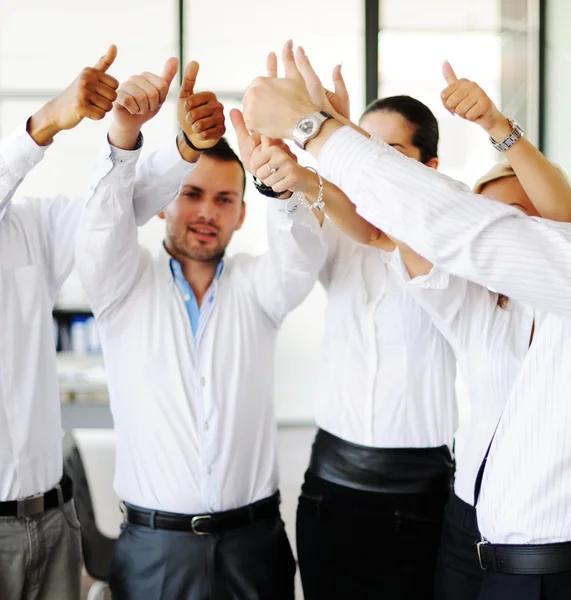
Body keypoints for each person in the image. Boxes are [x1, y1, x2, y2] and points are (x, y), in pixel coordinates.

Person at [243, 43, 571, 600]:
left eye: (389, 153)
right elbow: (350, 231)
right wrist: (300, 169)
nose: (377, 164)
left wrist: (322, 130)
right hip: (416, 514)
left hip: (458, 509)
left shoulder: (513, 282)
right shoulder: (469, 309)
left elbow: (415, 224)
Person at [74, 57, 326, 600]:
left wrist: (280, 188)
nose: (207, 212)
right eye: (192, 194)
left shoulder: (259, 287)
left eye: (224, 199)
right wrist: (123, 136)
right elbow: (99, 226)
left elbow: (303, 256)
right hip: (153, 550)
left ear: (240, 213)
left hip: (254, 546)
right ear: (166, 201)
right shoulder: (123, 284)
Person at [233, 43, 457, 600]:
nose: (374, 167)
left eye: (390, 154)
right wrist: (281, 178)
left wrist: (320, 152)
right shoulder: (333, 215)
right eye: (364, 151)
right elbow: (296, 248)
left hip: (424, 492)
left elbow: (385, 231)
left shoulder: (449, 223)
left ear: (430, 166)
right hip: (331, 489)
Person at [0, 46, 204, 600]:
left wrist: (142, 138)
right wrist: (44, 123)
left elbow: (111, 209)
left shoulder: (29, 227)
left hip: (53, 522)